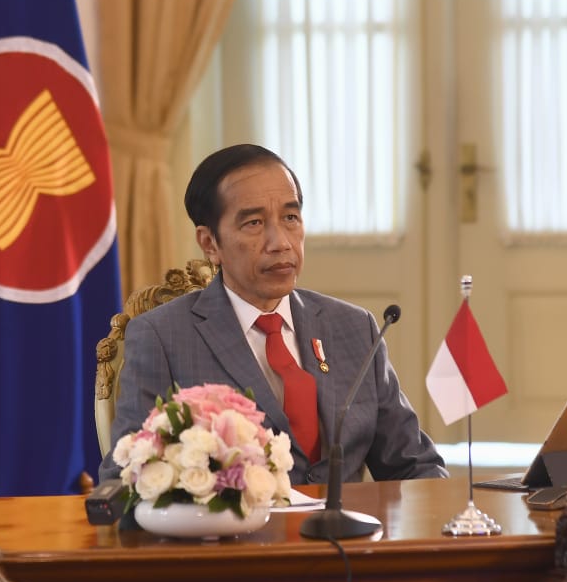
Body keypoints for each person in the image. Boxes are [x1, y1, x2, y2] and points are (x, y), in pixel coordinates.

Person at [99, 144, 447, 485]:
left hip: (348, 538)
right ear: (210, 243)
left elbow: (414, 466)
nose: (280, 242)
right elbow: (128, 476)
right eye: (253, 223)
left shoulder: (355, 328)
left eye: (291, 218)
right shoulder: (163, 337)